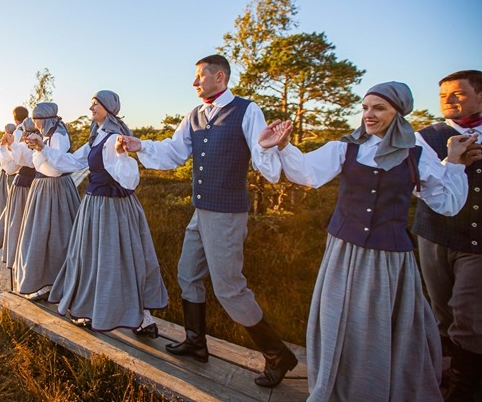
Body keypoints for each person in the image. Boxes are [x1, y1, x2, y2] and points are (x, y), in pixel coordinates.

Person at [258, 81, 475, 402]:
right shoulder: (345, 148)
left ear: (398, 112)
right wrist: (283, 146)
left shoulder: (416, 155)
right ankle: (340, 383)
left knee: (381, 328)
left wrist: (454, 162)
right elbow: (306, 174)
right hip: (343, 252)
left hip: (390, 259)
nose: (369, 114)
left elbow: (447, 203)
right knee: (340, 321)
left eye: (379, 108)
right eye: (365, 107)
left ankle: (379, 387)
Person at [121, 54, 297, 388]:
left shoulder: (247, 110)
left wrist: (273, 148)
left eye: (200, 76)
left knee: (230, 289)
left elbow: (264, 161)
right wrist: (139, 145)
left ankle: (277, 354)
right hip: (201, 211)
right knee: (188, 273)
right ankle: (196, 342)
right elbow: (173, 152)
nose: (194, 82)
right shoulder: (195, 115)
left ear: (220, 77)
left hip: (228, 213)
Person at [36, 90, 168, 334]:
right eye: (91, 103)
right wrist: (42, 149)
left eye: (95, 104)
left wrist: (120, 156)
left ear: (108, 107)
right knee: (94, 257)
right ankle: (94, 309)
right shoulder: (97, 138)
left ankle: (141, 317)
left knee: (121, 259)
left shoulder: (113, 139)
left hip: (113, 207)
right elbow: (72, 162)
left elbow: (129, 180)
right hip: (95, 205)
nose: (91, 108)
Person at [412, 70, 482, 402]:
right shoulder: (426, 136)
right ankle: (443, 375)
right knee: (442, 311)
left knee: (469, 317)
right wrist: (451, 161)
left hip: (478, 242)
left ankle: (463, 390)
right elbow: (418, 185)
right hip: (435, 235)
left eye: (458, 94)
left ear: (480, 96)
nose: (448, 101)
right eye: (443, 96)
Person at [13, 102, 81, 300]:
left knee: (58, 236)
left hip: (56, 189)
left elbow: (57, 166)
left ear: (45, 118)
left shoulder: (58, 135)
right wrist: (36, 147)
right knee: (41, 235)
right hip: (43, 187)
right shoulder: (47, 135)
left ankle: (59, 283)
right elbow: (40, 161)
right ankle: (43, 282)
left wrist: (39, 150)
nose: (35, 122)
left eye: (37, 118)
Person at [0, 107, 36, 284]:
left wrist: (3, 146)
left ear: (14, 117)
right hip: (13, 177)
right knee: (10, 214)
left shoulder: (19, 134)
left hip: (15, 178)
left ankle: (9, 248)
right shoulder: (19, 133)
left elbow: (11, 163)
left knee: (10, 215)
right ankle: (10, 245)